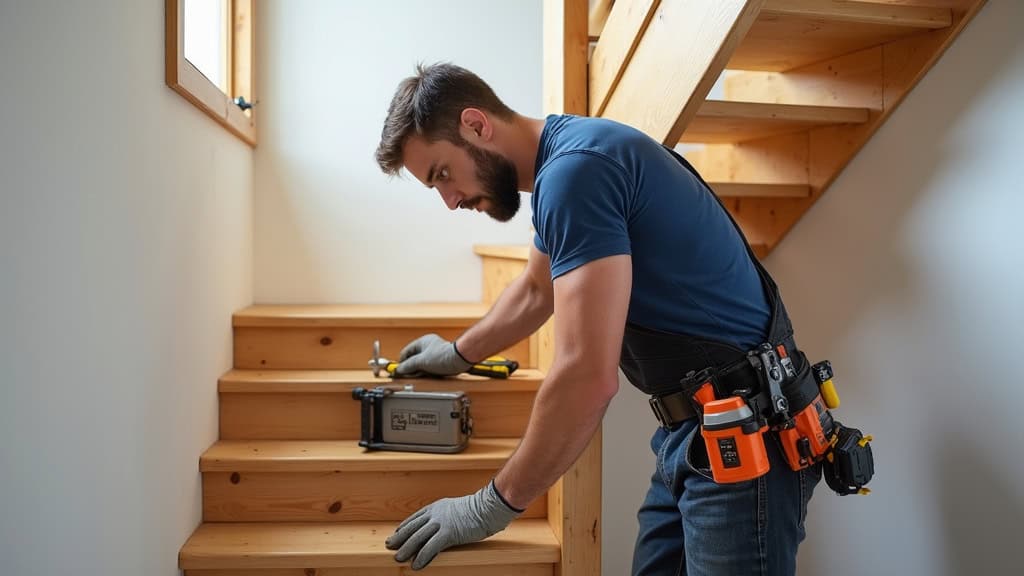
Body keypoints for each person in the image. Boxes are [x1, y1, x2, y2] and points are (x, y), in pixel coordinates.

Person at [373, 62, 822, 575]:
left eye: (442, 174)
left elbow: (586, 377)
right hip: (697, 433)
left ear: (476, 125)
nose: (450, 201)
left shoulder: (576, 172)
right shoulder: (567, 160)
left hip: (745, 435)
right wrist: (457, 354)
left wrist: (490, 506)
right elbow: (537, 290)